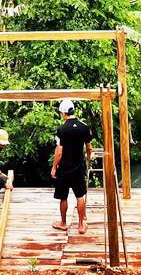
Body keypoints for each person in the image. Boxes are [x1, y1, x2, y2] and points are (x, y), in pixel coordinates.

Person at [50, 98, 93, 233]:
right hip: (78, 167)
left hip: (64, 168)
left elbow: (59, 152)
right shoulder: (84, 127)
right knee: (80, 196)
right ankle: (81, 225)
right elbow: (89, 147)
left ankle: (63, 223)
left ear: (63, 113)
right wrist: (88, 157)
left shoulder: (61, 130)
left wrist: (54, 167)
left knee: (63, 196)